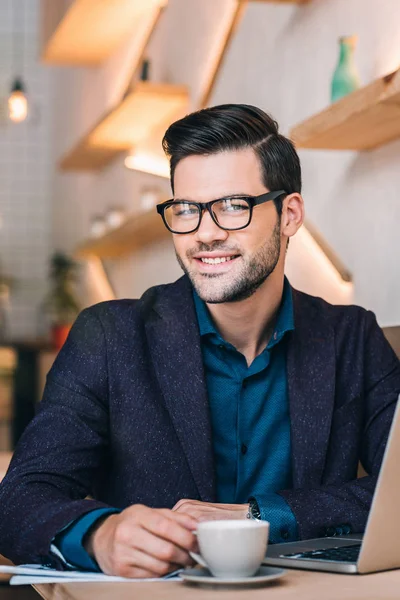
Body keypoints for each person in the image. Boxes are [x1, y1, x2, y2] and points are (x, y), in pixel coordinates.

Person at [0, 104, 399, 579]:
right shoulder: (109, 336)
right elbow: (20, 499)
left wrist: (262, 515)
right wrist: (99, 535)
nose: (205, 234)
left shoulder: (351, 336)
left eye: (233, 205)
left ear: (289, 214)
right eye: (187, 209)